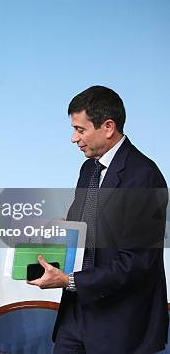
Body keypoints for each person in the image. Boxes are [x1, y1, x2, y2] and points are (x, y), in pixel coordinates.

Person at [28, 86, 168, 354]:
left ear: (107, 126)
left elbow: (136, 263)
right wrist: (59, 229)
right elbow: (84, 227)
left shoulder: (144, 177)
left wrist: (69, 281)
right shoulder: (88, 169)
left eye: (80, 130)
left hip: (119, 325)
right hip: (76, 316)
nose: (73, 138)